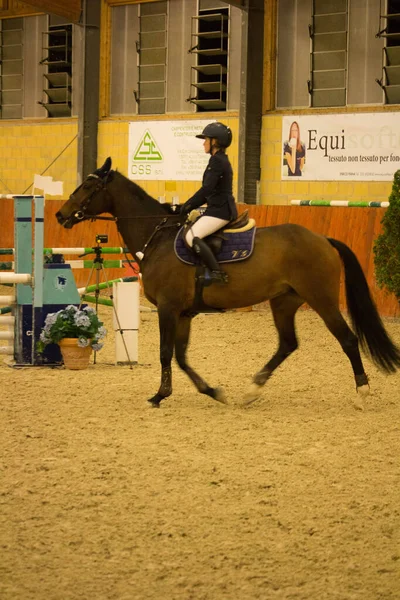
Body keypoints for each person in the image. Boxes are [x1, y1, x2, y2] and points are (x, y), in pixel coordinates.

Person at [180, 122, 237, 285]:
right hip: (216, 208)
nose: (203, 143)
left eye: (206, 139)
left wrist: (188, 206)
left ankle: (216, 272)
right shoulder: (218, 160)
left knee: (192, 237)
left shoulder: (217, 161)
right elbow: (209, 191)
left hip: (220, 211)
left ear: (215, 142)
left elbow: (206, 189)